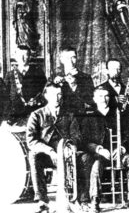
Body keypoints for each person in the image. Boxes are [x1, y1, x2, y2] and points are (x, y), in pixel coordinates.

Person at [78, 86, 129, 212]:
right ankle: (95, 200)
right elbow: (85, 141)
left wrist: (121, 148)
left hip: (118, 153)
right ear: (94, 98)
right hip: (100, 155)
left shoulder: (118, 114)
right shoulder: (89, 117)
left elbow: (128, 135)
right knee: (95, 167)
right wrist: (99, 150)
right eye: (100, 96)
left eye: (106, 96)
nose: (104, 99)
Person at [26, 83, 81, 213]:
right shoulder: (36, 115)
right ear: (46, 96)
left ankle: (77, 199)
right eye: (53, 95)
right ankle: (42, 201)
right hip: (47, 156)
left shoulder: (69, 115)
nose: (57, 98)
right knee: (33, 156)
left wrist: (69, 147)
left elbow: (76, 136)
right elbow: (31, 141)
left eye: (59, 94)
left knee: (84, 158)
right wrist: (49, 151)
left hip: (66, 154)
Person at [3, 45, 47, 125]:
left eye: (25, 55)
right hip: (15, 116)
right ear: (15, 56)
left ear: (29, 56)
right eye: (19, 55)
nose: (22, 58)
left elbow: (44, 92)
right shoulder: (10, 75)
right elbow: (5, 98)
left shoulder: (38, 73)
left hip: (33, 114)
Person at [54, 46, 94, 115]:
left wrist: (74, 86)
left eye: (73, 57)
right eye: (67, 58)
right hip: (59, 117)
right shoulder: (54, 78)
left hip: (79, 117)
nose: (70, 61)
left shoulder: (86, 78)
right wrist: (54, 85)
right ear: (61, 60)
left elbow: (90, 101)